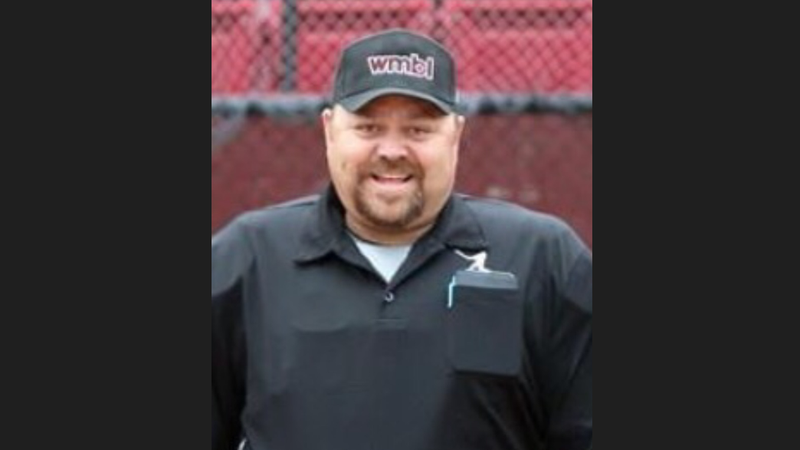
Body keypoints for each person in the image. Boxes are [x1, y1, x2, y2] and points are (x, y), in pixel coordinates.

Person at [212, 29, 592, 450]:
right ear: (329, 130)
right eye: (368, 127)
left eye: (418, 130)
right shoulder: (245, 261)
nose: (392, 150)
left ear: (456, 135)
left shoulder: (543, 261)